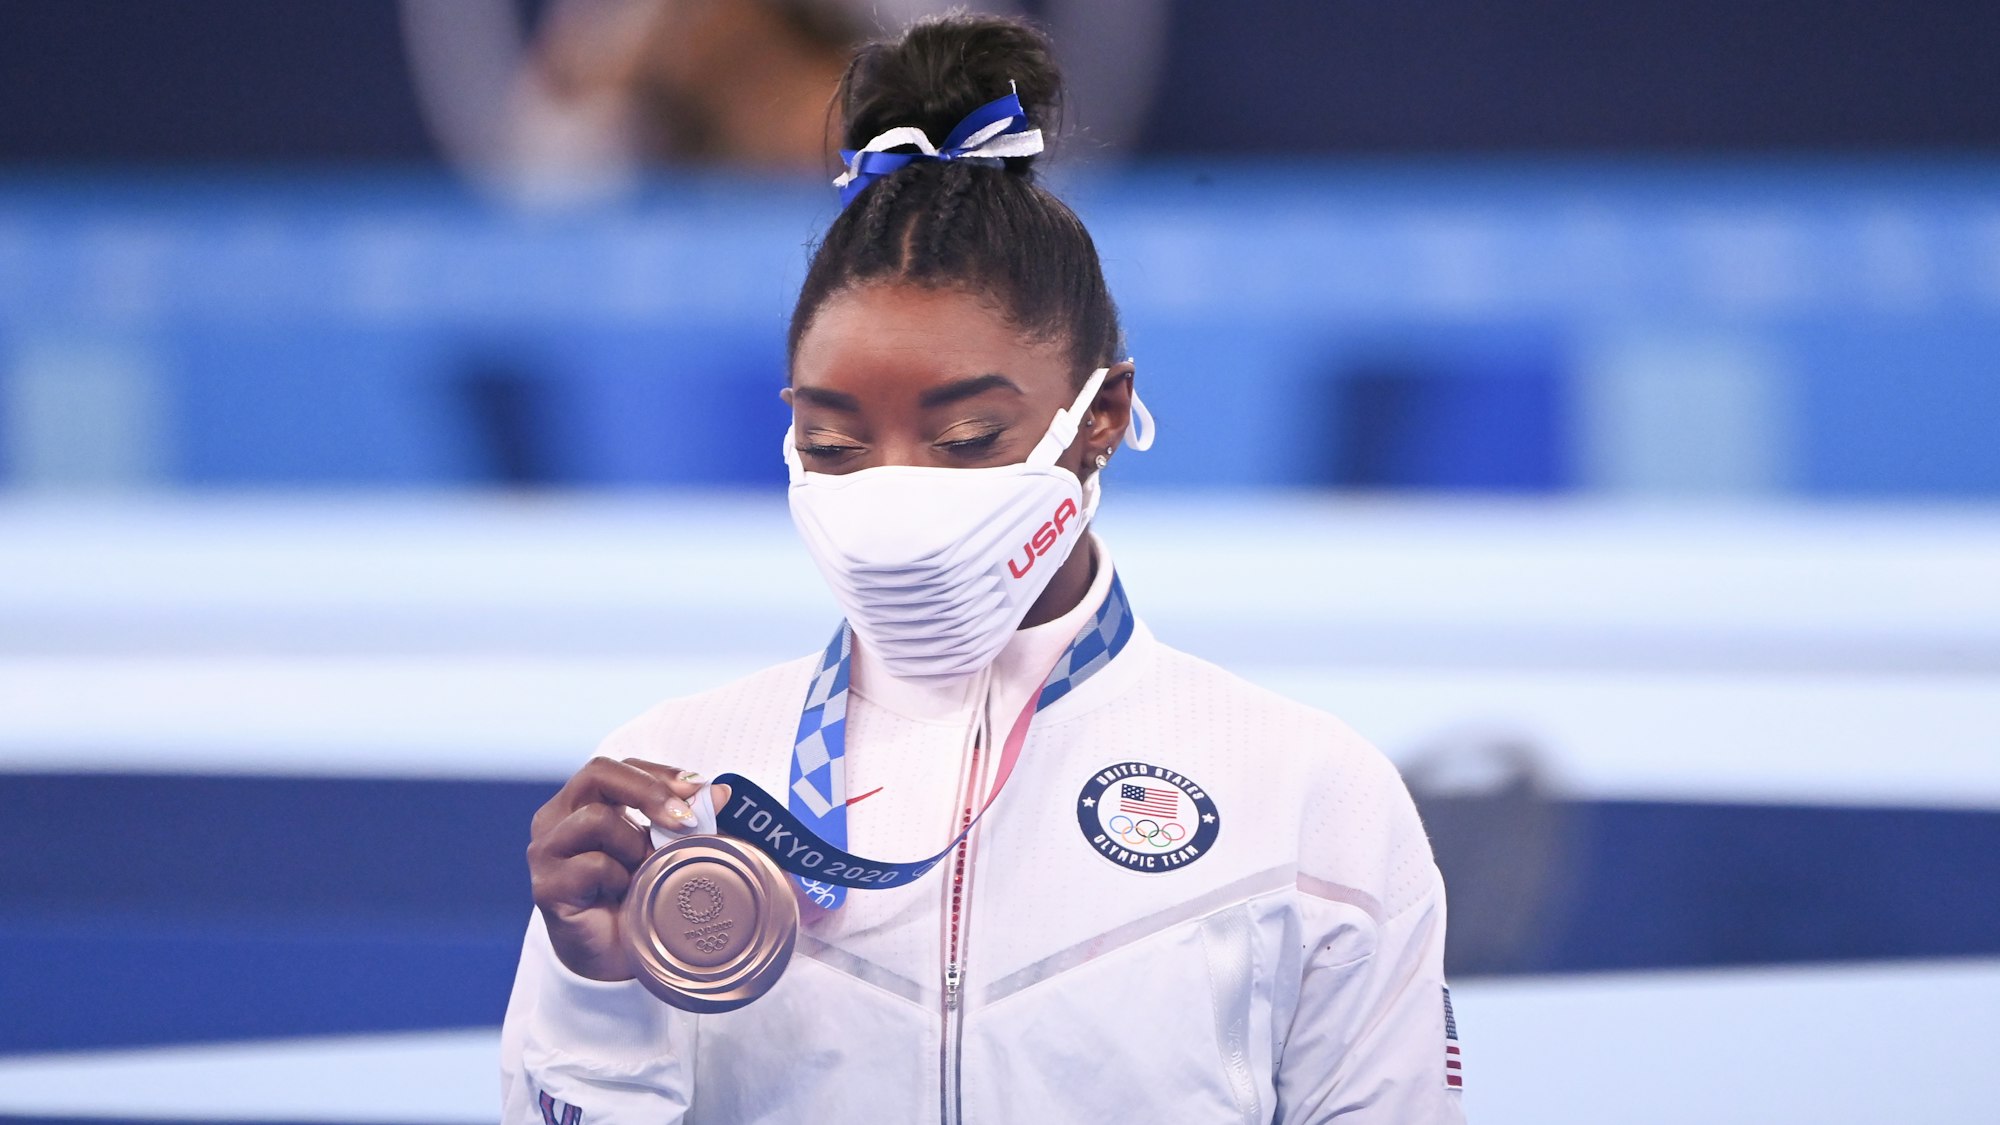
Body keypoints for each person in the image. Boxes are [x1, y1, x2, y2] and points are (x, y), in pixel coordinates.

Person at [501, 14, 1465, 1123]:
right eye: (833, 444)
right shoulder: (676, 794)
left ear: (1102, 416)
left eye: (965, 440)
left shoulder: (1308, 797)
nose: (895, 498)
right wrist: (597, 995)